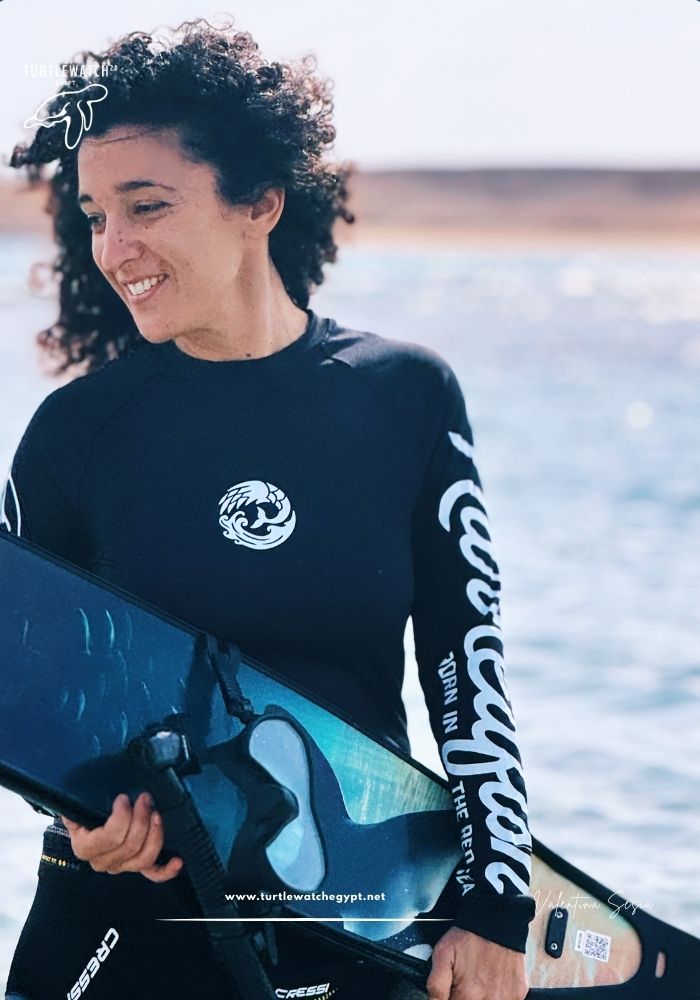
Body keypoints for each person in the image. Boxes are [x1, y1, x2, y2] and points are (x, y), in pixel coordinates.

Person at [2, 18, 535, 1000]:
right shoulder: (75, 435)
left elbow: (466, 668)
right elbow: (27, 700)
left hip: (351, 914)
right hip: (125, 920)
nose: (114, 247)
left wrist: (497, 902)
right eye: (95, 215)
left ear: (260, 202)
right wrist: (78, 817)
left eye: (146, 206)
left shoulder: (403, 397)